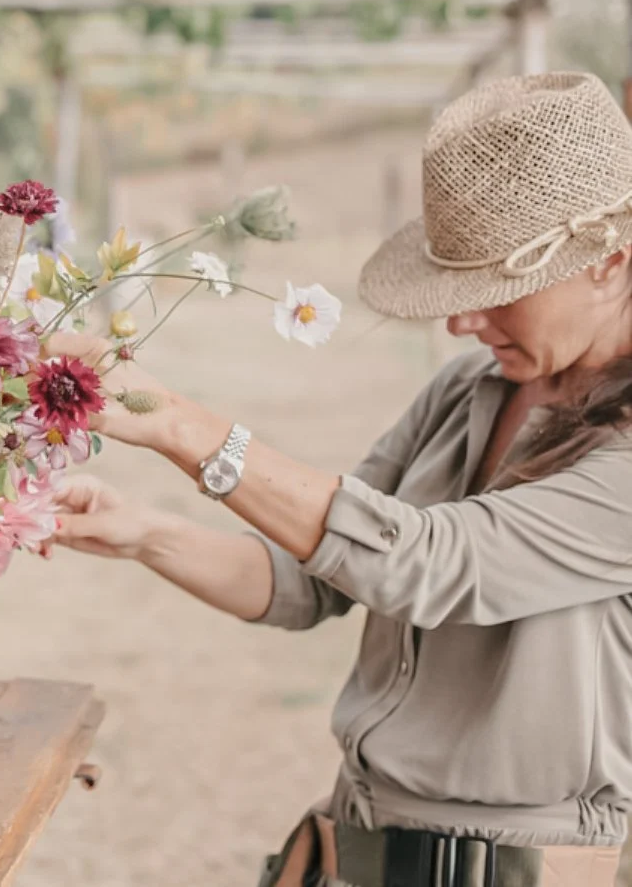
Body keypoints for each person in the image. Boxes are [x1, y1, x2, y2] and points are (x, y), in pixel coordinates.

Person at [48, 72, 632, 886]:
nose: (462, 321)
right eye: (455, 288)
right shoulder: (470, 390)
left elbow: (426, 562)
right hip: (361, 840)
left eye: (498, 290)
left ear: (610, 263)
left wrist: (183, 427)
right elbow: (313, 579)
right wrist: (144, 533)